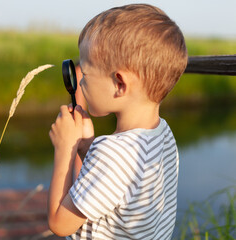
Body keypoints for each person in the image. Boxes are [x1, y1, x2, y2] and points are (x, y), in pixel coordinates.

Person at [48, 4, 188, 240]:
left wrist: (64, 150)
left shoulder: (112, 154)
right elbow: (115, 190)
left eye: (87, 74)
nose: (81, 83)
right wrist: (86, 146)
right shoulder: (164, 135)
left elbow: (59, 224)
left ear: (120, 84)